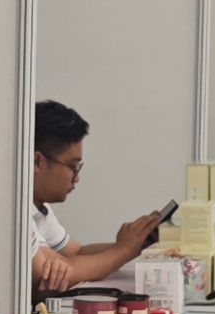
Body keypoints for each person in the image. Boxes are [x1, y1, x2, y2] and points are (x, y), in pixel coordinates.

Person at [29, 99, 165, 293]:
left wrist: (138, 242)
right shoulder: (16, 210)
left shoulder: (40, 208)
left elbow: (76, 253)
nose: (76, 178)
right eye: (73, 167)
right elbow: (49, 273)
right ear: (37, 162)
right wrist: (124, 250)